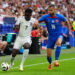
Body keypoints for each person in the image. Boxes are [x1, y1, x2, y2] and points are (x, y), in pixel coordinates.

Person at [38, 4, 73, 70]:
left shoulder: (59, 16)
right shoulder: (46, 17)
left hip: (59, 35)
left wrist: (69, 31)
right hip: (51, 37)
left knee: (59, 42)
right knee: (48, 55)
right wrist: (36, 24)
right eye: (49, 10)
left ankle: (56, 61)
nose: (49, 12)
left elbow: (67, 22)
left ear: (54, 10)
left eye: (51, 10)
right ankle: (50, 64)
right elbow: (38, 21)